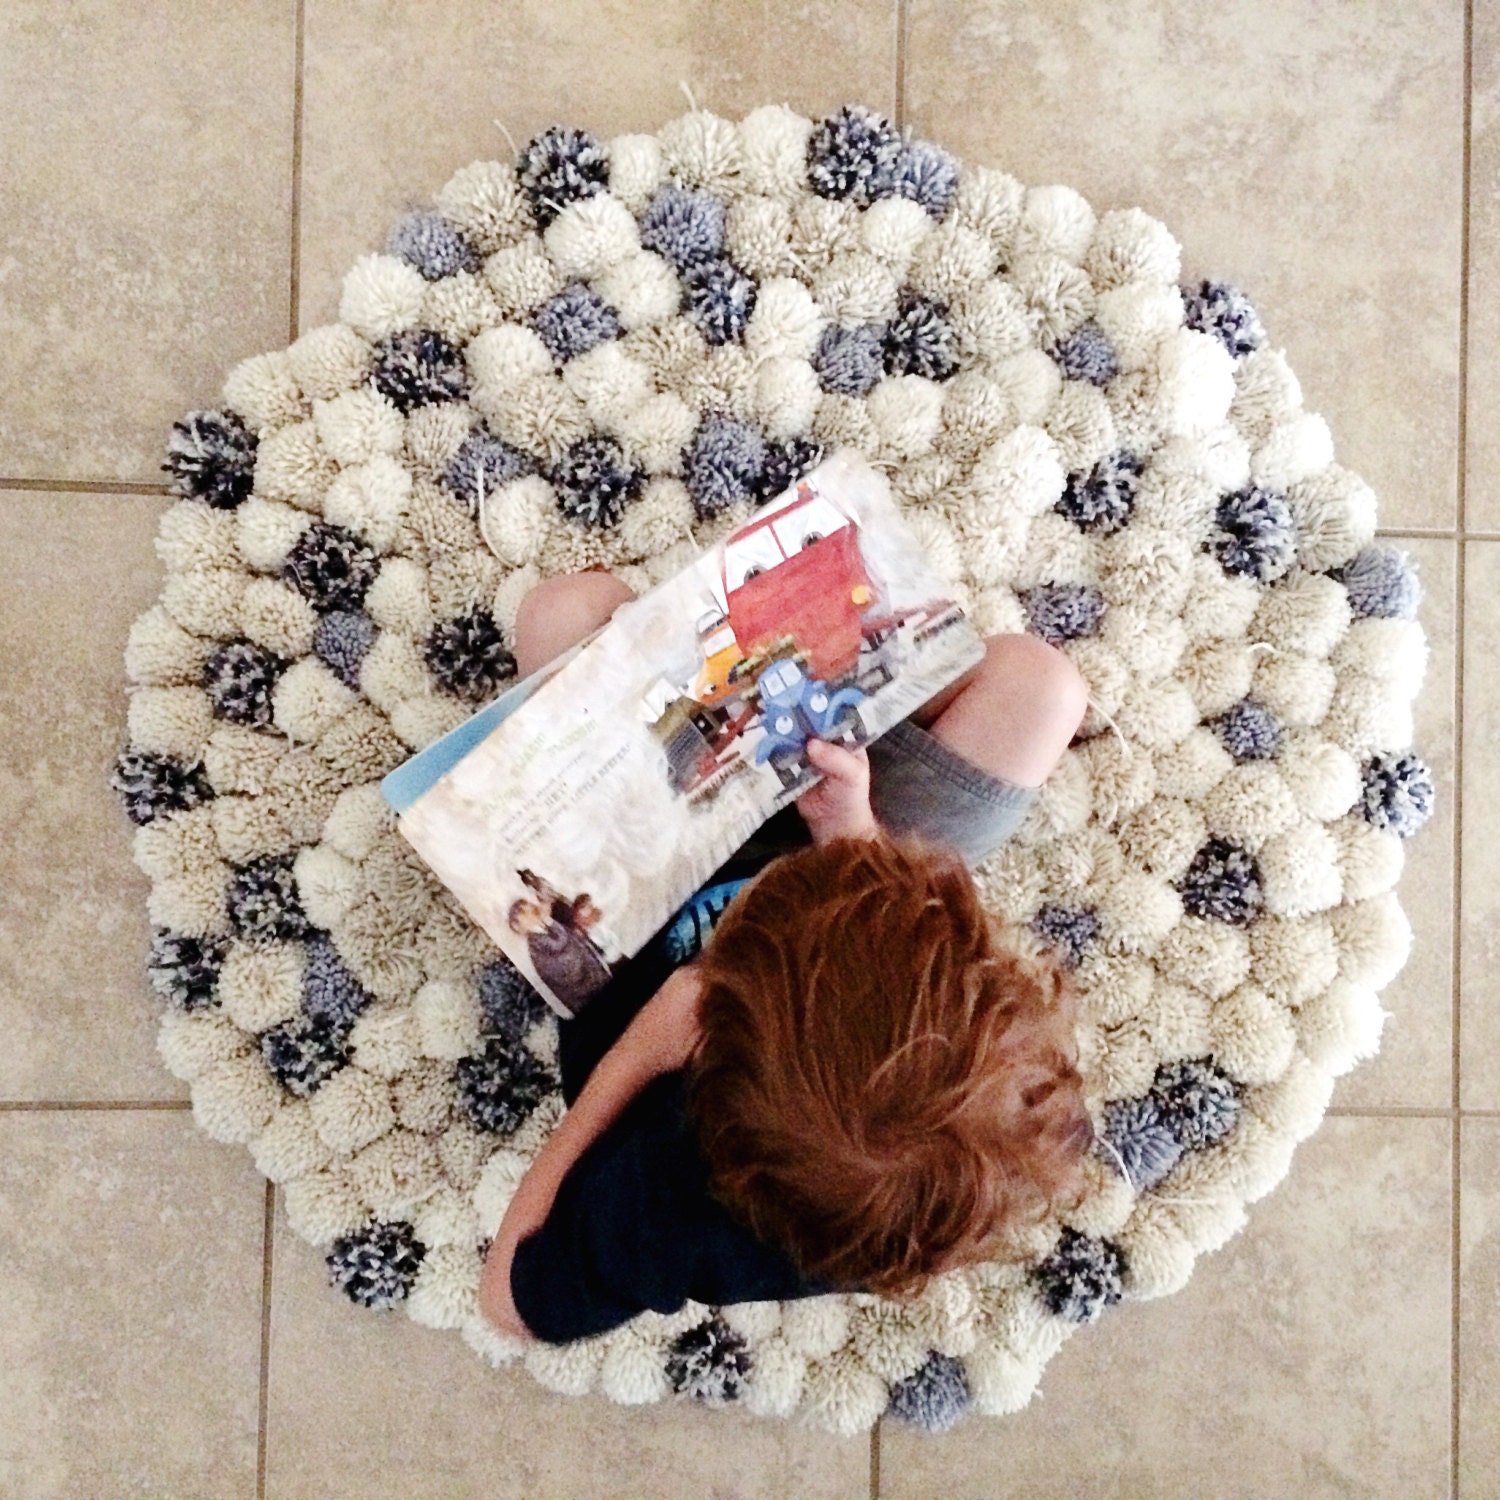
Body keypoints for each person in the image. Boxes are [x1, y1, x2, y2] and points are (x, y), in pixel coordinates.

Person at [478, 567, 1094, 1343]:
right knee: (1042, 689)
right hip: (842, 843)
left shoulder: (670, 1198)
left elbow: (506, 1302)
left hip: (638, 927)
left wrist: (642, 1051)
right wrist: (855, 839)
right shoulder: (1004, 1119)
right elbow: (909, 942)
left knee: (564, 614)